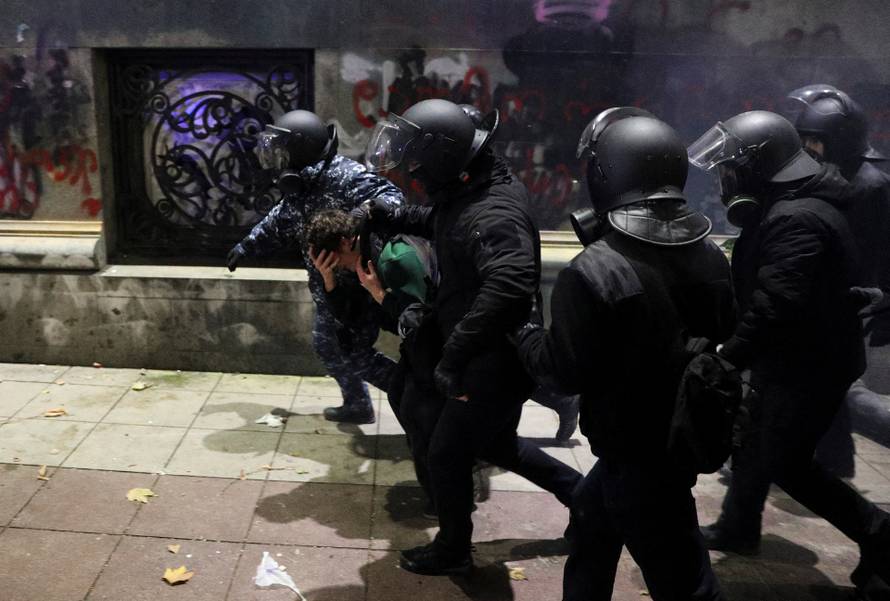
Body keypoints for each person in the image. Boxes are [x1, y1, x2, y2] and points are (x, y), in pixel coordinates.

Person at [514, 107, 733, 600]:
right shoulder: (712, 254)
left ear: (606, 175)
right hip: (673, 437)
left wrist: (525, 330)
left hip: (637, 457)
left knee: (687, 585)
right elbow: (724, 327)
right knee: (592, 527)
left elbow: (561, 373)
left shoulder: (592, 270)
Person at [365, 98, 582, 575]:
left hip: (490, 361)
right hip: (487, 355)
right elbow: (446, 223)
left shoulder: (492, 212)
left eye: (419, 169)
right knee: (500, 446)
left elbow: (509, 283)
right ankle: (585, 499)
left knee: (446, 454)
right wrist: (389, 215)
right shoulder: (474, 189)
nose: (416, 178)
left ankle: (453, 549)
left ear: (443, 163)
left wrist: (454, 355)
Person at [688, 109, 890, 598]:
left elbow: (777, 303)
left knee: (789, 463)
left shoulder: (794, 216)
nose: (726, 178)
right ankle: (739, 526)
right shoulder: (790, 203)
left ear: (763, 166)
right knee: (756, 445)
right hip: (800, 355)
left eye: (733, 167)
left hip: (808, 364)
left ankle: (880, 533)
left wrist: (728, 357)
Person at [226, 110, 402, 424]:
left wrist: (366, 211)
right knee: (327, 349)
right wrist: (246, 246)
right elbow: (279, 218)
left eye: (282, 150)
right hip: (326, 288)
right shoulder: (299, 186)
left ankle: (415, 393)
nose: (277, 158)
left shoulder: (347, 175)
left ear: (300, 149)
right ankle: (358, 404)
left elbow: (394, 198)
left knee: (357, 355)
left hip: (356, 291)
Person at [304, 208, 443, 514]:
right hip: (420, 346)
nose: (330, 265)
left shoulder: (392, 260)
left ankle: (448, 500)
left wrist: (379, 295)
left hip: (438, 346)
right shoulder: (357, 262)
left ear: (344, 243)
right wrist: (328, 280)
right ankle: (442, 496)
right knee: (406, 403)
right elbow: (351, 315)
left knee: (423, 418)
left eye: (330, 259)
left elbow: (421, 323)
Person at [787, 84, 890, 479]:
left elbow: (860, 255)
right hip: (846, 302)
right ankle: (836, 461)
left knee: (843, 393)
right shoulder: (846, 175)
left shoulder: (866, 184)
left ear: (840, 141)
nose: (809, 149)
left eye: (815, 141)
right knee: (832, 392)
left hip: (850, 304)